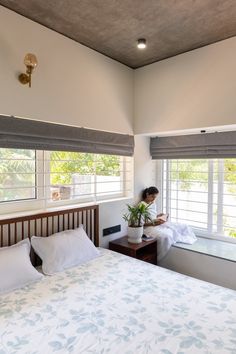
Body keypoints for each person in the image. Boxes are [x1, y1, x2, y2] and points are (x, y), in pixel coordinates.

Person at [140, 186, 197, 261]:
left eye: (155, 197)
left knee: (183, 226)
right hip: (149, 227)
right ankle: (159, 258)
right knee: (166, 237)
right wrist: (154, 223)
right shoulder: (141, 206)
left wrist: (159, 216)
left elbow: (151, 216)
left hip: (156, 222)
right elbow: (142, 223)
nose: (154, 199)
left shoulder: (152, 203)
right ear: (147, 194)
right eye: (152, 197)